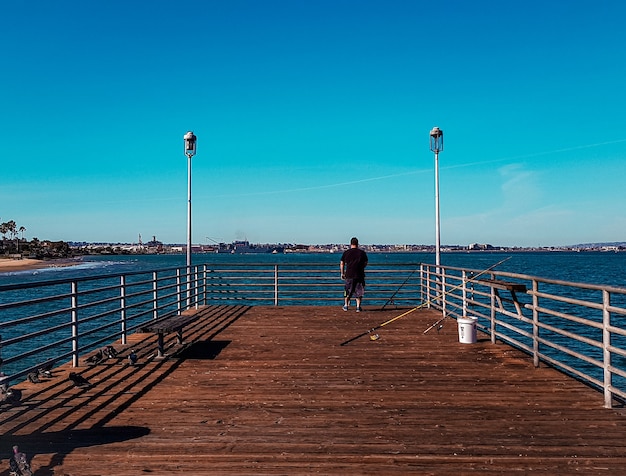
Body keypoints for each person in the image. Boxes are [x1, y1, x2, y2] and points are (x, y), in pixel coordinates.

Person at [340, 237, 368, 312]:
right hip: (359, 274)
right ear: (357, 244)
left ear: (351, 244)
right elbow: (365, 263)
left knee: (348, 290)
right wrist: (361, 267)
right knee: (359, 291)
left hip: (349, 274)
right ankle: (358, 306)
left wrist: (342, 273)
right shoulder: (362, 253)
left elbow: (342, 263)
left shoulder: (346, 253)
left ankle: (346, 305)